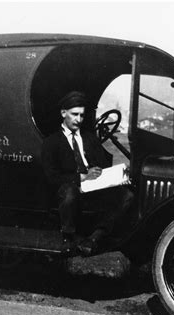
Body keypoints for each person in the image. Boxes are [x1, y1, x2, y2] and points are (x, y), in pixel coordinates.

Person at [41, 91, 134, 256]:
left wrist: (115, 175)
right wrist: (81, 177)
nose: (78, 119)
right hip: (70, 188)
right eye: (74, 114)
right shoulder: (51, 142)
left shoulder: (90, 138)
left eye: (82, 116)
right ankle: (68, 238)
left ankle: (95, 237)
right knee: (69, 192)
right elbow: (51, 177)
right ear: (63, 113)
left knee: (126, 195)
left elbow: (103, 166)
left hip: (94, 187)